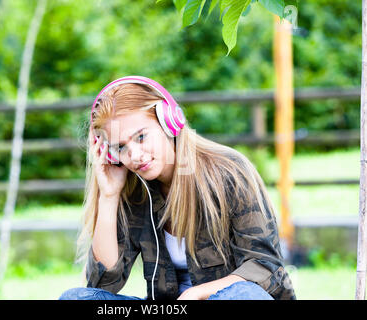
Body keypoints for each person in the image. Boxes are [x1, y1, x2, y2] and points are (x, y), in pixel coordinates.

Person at [59, 76, 296, 300]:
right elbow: (102, 284)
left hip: (227, 297)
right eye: (120, 147)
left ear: (169, 122)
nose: (134, 156)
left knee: (243, 295)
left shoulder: (228, 172)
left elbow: (265, 268)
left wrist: (196, 293)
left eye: (141, 137)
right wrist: (109, 196)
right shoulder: (132, 189)